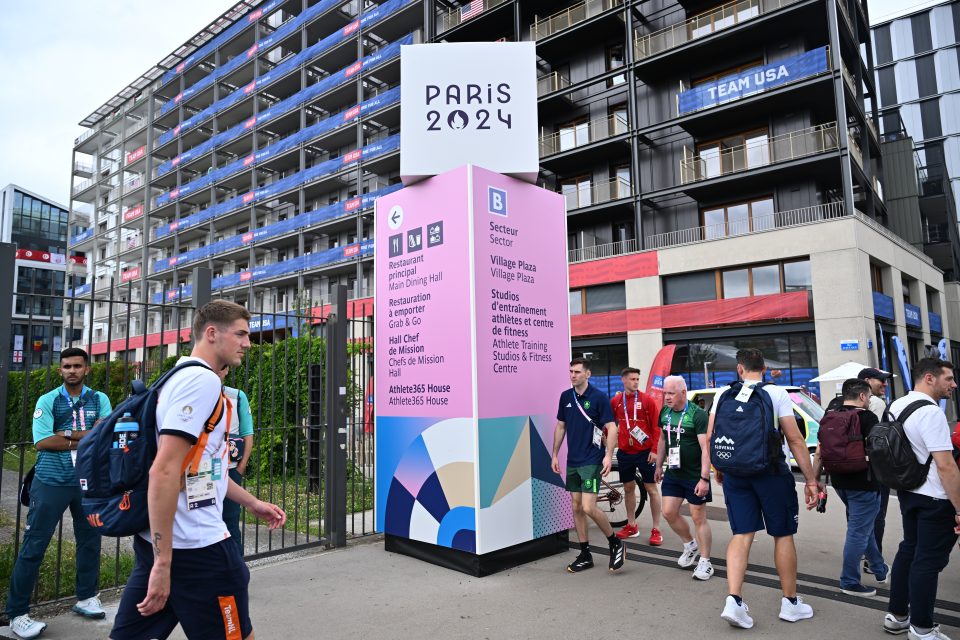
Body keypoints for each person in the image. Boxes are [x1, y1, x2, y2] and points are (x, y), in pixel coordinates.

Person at [111, 300, 287, 640]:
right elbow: (163, 470)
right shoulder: (202, 383)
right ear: (211, 333)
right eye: (241, 334)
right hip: (197, 552)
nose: (248, 343)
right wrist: (164, 564)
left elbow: (202, 469)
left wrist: (252, 503)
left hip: (157, 544)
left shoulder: (175, 375)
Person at [706, 348, 819, 629]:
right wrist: (812, 480)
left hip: (735, 474)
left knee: (742, 533)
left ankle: (734, 599)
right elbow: (794, 439)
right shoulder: (776, 393)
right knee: (782, 534)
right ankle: (790, 603)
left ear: (740, 369)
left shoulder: (723, 394)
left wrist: (720, 468)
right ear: (765, 368)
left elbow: (712, 436)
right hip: (771, 473)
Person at [5, 348, 113, 639]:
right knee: (34, 546)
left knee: (90, 540)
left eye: (78, 366)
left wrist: (65, 434)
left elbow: (104, 435)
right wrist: (84, 437)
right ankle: (17, 614)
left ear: (87, 369)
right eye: (67, 366)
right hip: (51, 481)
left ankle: (86, 597)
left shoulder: (99, 399)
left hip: (87, 482)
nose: (72, 371)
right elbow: (42, 442)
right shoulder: (48, 400)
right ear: (60, 370)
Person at [882, 358, 960, 640]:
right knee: (927, 562)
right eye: (948, 379)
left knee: (909, 550)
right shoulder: (931, 413)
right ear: (930, 378)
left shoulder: (896, 406)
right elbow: (946, 465)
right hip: (936, 498)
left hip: (908, 491)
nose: (953, 384)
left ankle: (897, 616)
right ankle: (923, 628)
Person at [811, 379, 887, 597]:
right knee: (858, 531)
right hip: (864, 482)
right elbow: (880, 450)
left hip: (839, 482)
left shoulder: (830, 416)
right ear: (862, 396)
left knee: (864, 527)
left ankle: (880, 570)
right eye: (869, 397)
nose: (869, 400)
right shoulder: (867, 417)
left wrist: (815, 480)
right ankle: (849, 581)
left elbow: (819, 452)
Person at [551, 358, 625, 573]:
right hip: (573, 460)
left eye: (577, 372)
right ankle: (585, 553)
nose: (572, 375)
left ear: (588, 374)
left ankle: (615, 542)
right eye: (570, 371)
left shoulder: (599, 398)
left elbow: (611, 427)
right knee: (576, 506)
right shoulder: (566, 397)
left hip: (592, 459)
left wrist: (608, 455)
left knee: (587, 506)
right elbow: (561, 426)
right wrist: (555, 454)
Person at [655, 375, 714, 580]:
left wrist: (704, 479)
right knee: (668, 512)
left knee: (699, 517)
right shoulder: (665, 412)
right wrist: (658, 465)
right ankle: (690, 545)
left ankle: (706, 561)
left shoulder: (697, 415)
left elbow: (705, 448)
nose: (667, 397)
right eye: (665, 393)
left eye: (671, 393)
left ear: (683, 392)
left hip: (695, 476)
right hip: (673, 472)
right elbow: (662, 440)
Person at [610, 367, 663, 545]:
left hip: (645, 453)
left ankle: (656, 529)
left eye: (637, 379)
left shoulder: (647, 400)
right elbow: (610, 424)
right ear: (623, 380)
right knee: (628, 488)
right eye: (632, 379)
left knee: (651, 489)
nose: (635, 382)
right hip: (625, 452)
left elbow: (657, 428)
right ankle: (631, 525)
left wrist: (655, 450)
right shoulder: (616, 401)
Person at [857, 367, 893, 569]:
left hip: (850, 467)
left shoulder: (841, 402)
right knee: (877, 514)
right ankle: (873, 559)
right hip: (875, 468)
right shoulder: (876, 403)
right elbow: (877, 438)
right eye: (881, 381)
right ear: (868, 380)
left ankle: (860, 553)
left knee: (857, 515)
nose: (885, 384)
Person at [219, 366, 255, 556]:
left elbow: (248, 434)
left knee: (230, 519)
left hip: (231, 469)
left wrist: (240, 468)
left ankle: (235, 566)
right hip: (203, 471)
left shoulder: (236, 396)